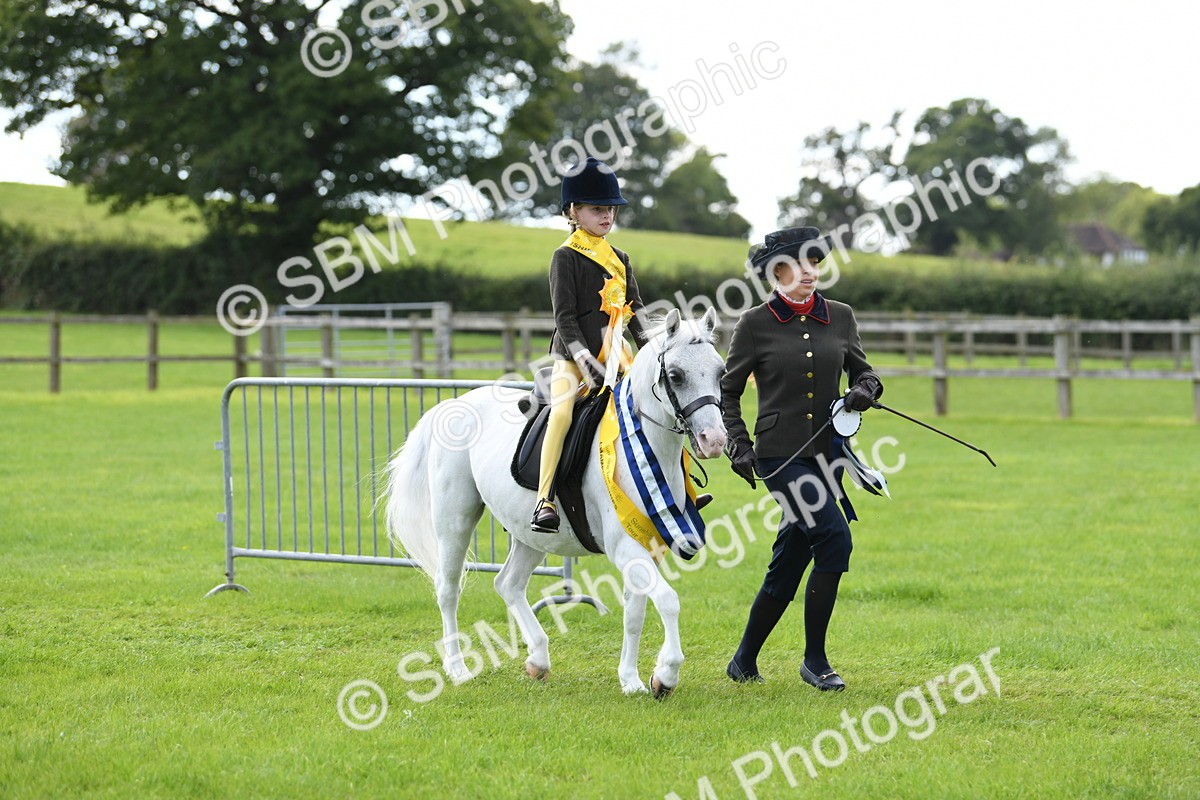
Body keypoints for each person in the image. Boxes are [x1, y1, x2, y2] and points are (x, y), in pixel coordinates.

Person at [720, 226, 883, 690]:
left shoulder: (842, 316)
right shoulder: (754, 324)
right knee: (834, 540)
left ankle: (743, 661)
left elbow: (866, 372)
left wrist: (864, 391)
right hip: (780, 458)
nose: (811, 272)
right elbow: (727, 392)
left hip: (829, 455)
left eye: (815, 262)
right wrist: (739, 444)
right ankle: (815, 660)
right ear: (776, 273)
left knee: (790, 560)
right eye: (799, 264)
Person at [532, 156, 650, 532]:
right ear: (573, 211)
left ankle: (678, 491)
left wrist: (654, 351)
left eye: (611, 209)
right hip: (573, 357)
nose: (607, 216)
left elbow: (636, 312)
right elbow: (563, 317)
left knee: (658, 406)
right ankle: (544, 499)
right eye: (597, 209)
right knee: (562, 413)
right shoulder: (564, 256)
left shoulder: (621, 259)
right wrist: (583, 357)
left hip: (618, 357)